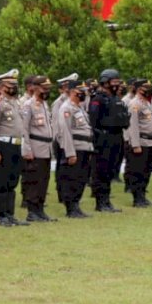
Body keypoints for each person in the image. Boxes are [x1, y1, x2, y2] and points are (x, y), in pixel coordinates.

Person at [0, 72, 29, 227]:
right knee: (2, 182)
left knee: (12, 181)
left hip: (17, 145)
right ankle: (1, 215)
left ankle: (10, 215)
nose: (13, 89)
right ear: (2, 87)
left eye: (15, 86)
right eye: (10, 86)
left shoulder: (17, 103)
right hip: (4, 145)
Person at [88, 69, 130, 212]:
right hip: (103, 139)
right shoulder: (98, 99)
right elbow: (93, 122)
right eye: (114, 81)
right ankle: (101, 202)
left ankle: (107, 200)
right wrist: (98, 139)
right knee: (102, 171)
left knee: (111, 170)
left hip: (116, 136)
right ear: (105, 82)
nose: (117, 84)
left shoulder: (115, 99)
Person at [20, 76, 56, 222]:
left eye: (48, 89)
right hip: (35, 148)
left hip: (45, 148)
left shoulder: (44, 105)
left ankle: (40, 210)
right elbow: (24, 129)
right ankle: (32, 211)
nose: (46, 91)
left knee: (44, 180)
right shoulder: (29, 105)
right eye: (44, 88)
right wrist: (27, 150)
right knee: (34, 180)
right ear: (34, 88)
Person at [57, 79, 94, 218]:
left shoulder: (79, 108)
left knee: (81, 178)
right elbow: (65, 131)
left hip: (84, 147)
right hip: (75, 148)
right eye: (82, 91)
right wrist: (70, 153)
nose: (84, 94)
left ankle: (76, 205)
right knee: (71, 178)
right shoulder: (66, 108)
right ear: (73, 92)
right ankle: (70, 208)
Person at [125, 79, 152, 207]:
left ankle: (143, 196)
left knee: (146, 170)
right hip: (141, 142)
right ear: (140, 89)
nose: (149, 89)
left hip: (149, 142)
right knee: (138, 171)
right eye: (147, 87)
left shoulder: (146, 103)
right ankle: (137, 198)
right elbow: (132, 125)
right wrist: (135, 145)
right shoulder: (135, 103)